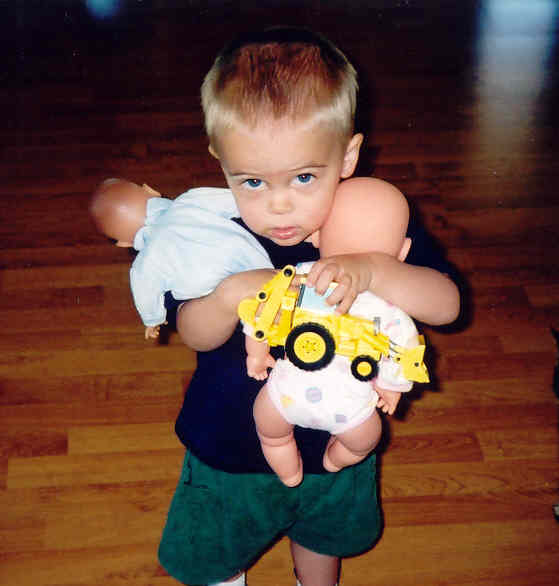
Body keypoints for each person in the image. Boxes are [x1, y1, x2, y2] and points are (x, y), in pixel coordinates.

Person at [158, 28, 460, 586]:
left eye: (303, 177)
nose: (278, 205)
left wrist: (375, 268)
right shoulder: (214, 237)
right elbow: (195, 333)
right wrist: (227, 295)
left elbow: (447, 305)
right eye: (251, 181)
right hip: (231, 442)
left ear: (347, 156)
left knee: (321, 532)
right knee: (216, 548)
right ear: (220, 162)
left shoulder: (370, 220)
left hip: (339, 436)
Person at [243, 177, 426, 487]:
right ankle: (334, 460)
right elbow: (403, 347)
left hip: (285, 395)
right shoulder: (390, 306)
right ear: (402, 251)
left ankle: (287, 472)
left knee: (270, 432)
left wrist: (256, 354)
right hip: (351, 409)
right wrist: (392, 386)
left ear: (316, 237)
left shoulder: (299, 277)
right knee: (364, 442)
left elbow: (264, 311)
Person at [89, 178, 272, 338]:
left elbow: (146, 294)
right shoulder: (190, 201)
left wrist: (152, 319)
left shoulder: (144, 264)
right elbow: (238, 201)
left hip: (210, 289)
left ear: (124, 243)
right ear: (151, 190)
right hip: (247, 257)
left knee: (252, 318)